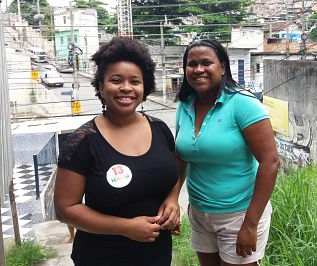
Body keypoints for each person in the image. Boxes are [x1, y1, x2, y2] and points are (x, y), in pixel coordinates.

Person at [54, 37, 182, 266]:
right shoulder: (83, 142)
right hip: (102, 257)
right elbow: (65, 209)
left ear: (145, 87)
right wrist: (126, 228)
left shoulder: (160, 129)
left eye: (135, 81)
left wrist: (173, 200)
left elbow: (171, 172)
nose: (126, 88)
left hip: (157, 255)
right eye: (116, 80)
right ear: (101, 87)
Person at [175, 39, 279, 266]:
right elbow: (180, 158)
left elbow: (270, 162)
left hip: (239, 214)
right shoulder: (185, 105)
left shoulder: (243, 103)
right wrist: (172, 199)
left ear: (222, 67)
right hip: (200, 213)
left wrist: (250, 224)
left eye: (206, 63)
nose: (198, 69)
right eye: (192, 64)